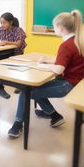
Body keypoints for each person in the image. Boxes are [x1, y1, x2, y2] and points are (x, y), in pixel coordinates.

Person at [8, 9, 84, 138]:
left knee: (25, 92)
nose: (54, 29)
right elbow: (64, 61)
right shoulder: (78, 40)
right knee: (33, 88)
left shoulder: (66, 45)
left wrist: (42, 65)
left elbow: (59, 69)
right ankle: (54, 116)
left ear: (60, 27)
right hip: (77, 83)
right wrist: (48, 60)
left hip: (68, 85)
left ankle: (18, 124)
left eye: (54, 26)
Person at [0, 12, 27, 113]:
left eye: (4, 23)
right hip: (4, 56)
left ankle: (15, 85)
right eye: (1, 23)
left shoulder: (18, 30)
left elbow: (18, 44)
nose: (2, 25)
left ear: (11, 22)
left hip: (16, 57)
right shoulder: (1, 29)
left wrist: (5, 42)